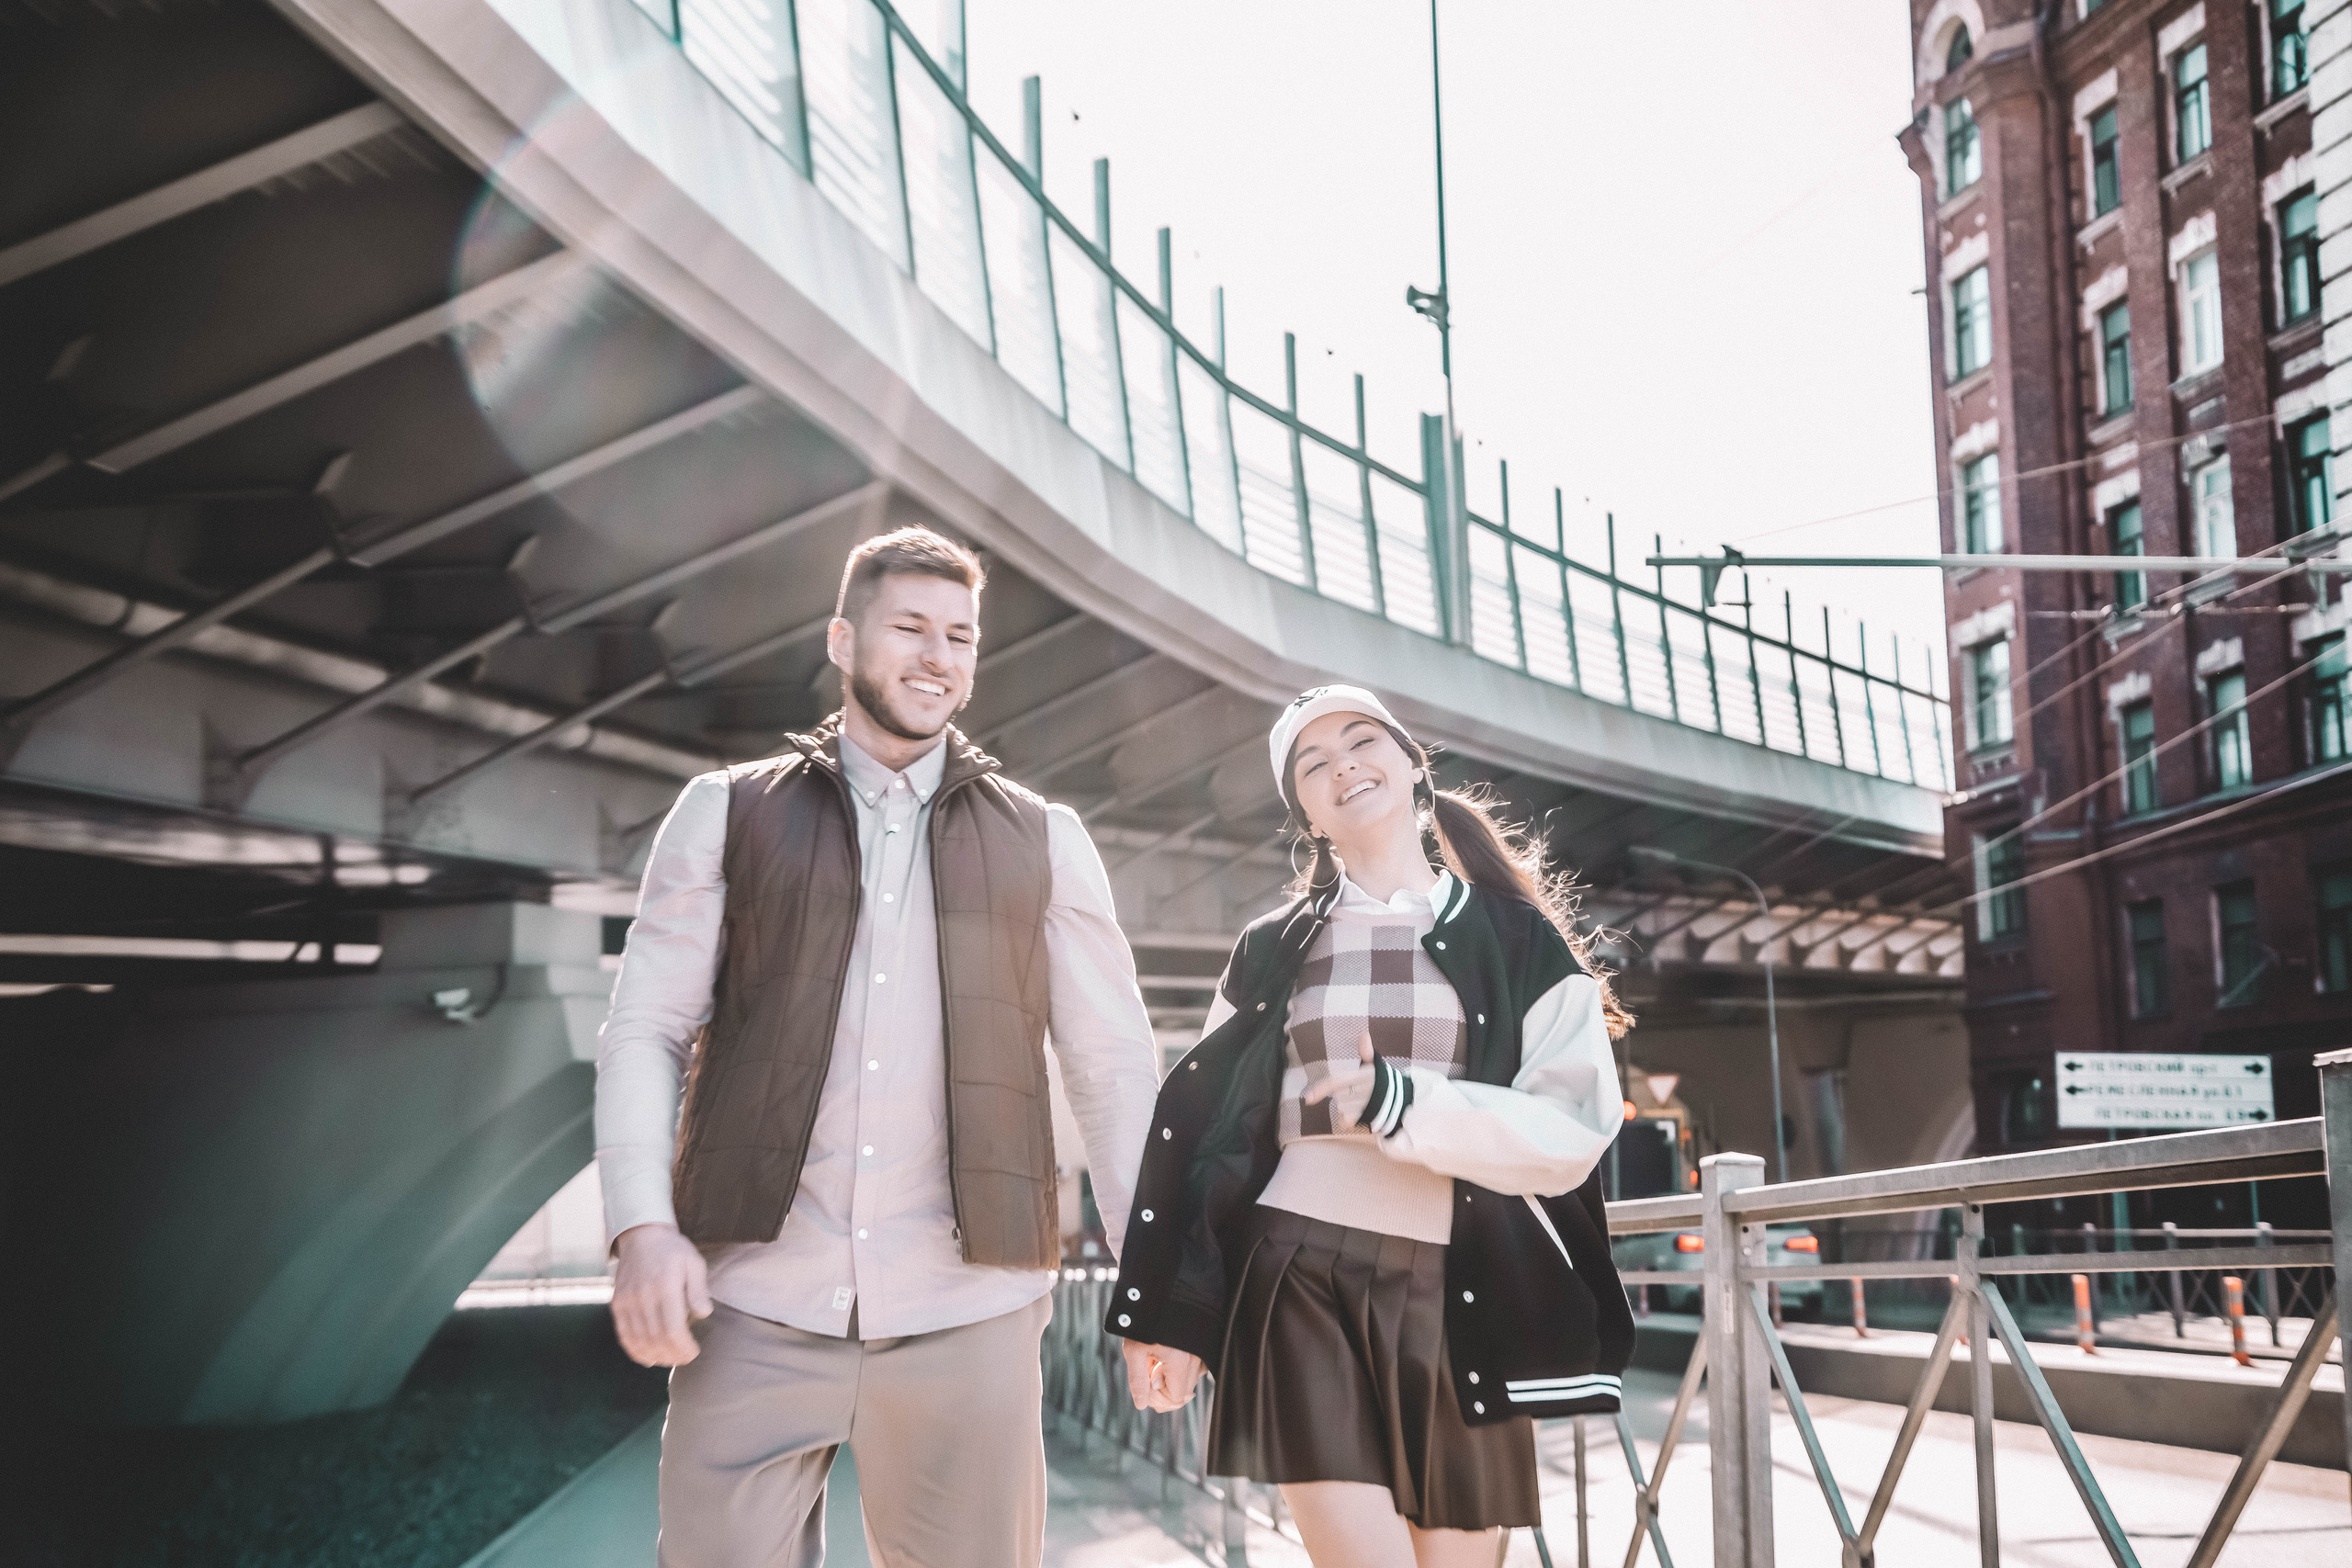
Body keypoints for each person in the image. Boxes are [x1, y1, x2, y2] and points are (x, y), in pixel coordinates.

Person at [594, 525, 1180, 1567]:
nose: (937, 656)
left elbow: (1112, 1069)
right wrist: (643, 1227)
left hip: (970, 1312)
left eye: (960, 635)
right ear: (842, 639)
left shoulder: (1046, 838)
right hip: (753, 1303)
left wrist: (1153, 1281)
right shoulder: (725, 813)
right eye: (910, 627)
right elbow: (646, 1030)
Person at [1110, 684, 1637, 1567]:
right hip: (1298, 1276)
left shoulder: (1517, 937)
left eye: (1362, 741)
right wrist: (1174, 1313)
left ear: (1411, 764)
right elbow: (1212, 1140)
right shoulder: (1271, 945)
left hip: (1464, 1294)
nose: (1344, 765)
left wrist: (1405, 1102)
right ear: (1306, 815)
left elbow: (1574, 1128)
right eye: (1313, 763)